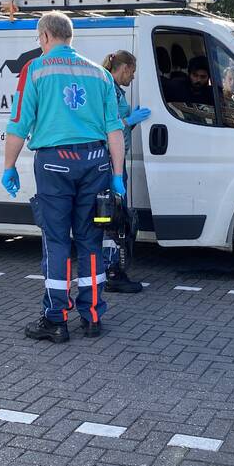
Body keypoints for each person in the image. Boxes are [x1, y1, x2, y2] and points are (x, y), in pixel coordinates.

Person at [3, 11, 126, 344]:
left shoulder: (36, 70)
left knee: (56, 241)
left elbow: (18, 124)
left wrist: (8, 165)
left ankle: (56, 319)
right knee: (91, 241)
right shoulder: (100, 74)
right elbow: (114, 128)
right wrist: (118, 175)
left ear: (44, 36)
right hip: (96, 163)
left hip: (55, 164)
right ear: (69, 37)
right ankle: (93, 315)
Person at [100, 50, 150, 294]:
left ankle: (112, 270)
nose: (133, 77)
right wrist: (129, 120)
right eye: (133, 72)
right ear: (125, 67)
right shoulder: (107, 86)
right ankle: (112, 272)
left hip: (115, 162)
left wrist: (131, 118)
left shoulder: (114, 88)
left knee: (118, 219)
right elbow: (102, 125)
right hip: (110, 163)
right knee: (114, 220)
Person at [164, 55, 215, 123]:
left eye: (203, 77)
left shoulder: (213, 94)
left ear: (208, 77)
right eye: (195, 75)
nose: (198, 80)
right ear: (189, 74)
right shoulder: (175, 87)